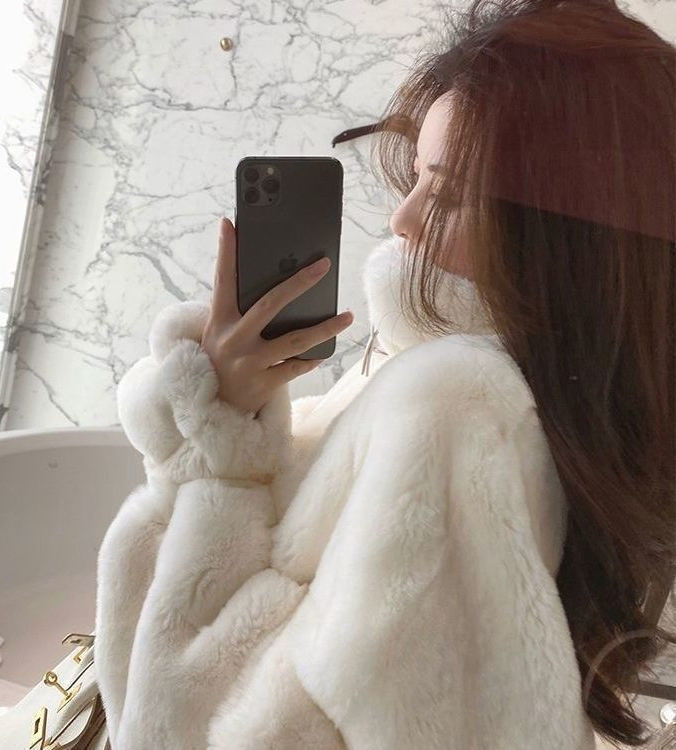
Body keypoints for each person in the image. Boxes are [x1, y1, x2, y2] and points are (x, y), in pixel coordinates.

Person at [94, 0, 676, 747]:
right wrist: (229, 409)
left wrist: (222, 460)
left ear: (560, 240)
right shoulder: (471, 378)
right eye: (416, 177)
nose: (403, 220)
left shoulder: (455, 405)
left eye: (448, 193)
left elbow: (198, 729)